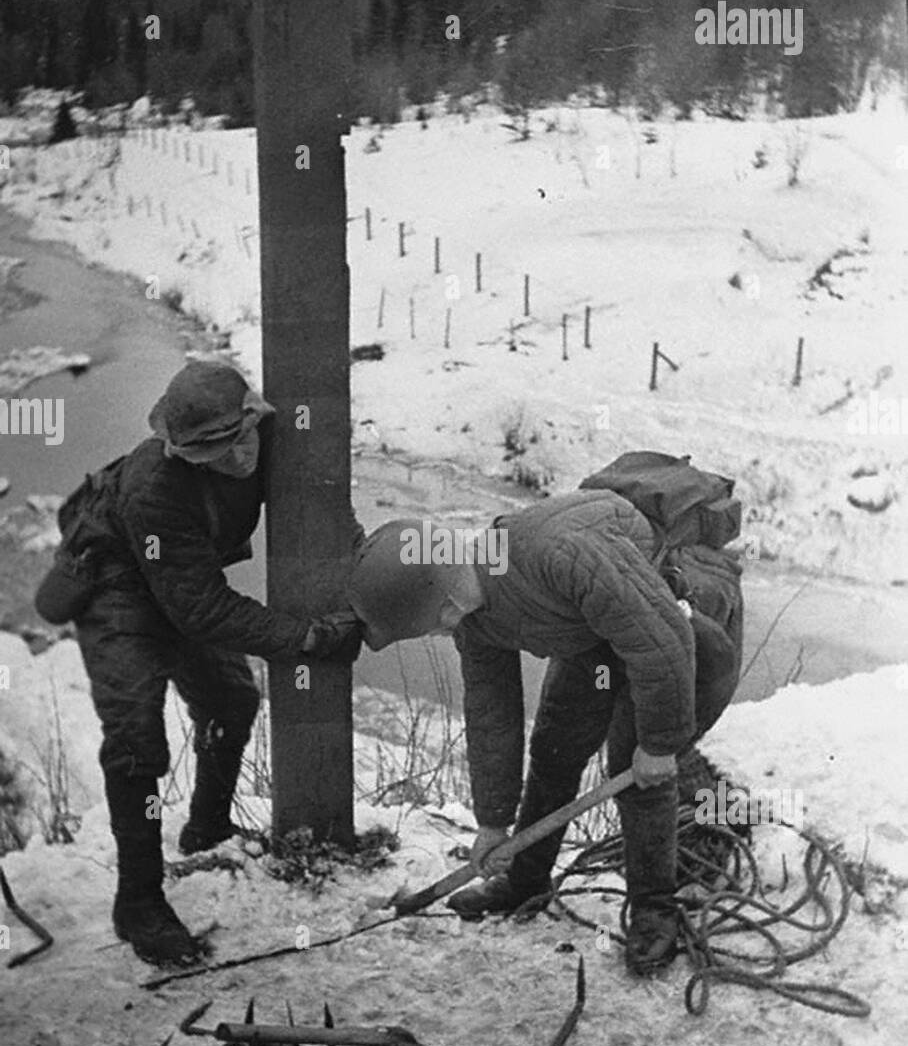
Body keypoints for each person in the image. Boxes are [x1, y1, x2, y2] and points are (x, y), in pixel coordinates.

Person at [346, 490, 743, 975]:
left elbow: (662, 641)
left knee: (636, 772)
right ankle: (526, 879)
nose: (436, 633)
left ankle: (653, 912)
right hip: (595, 639)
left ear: (444, 605)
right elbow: (493, 715)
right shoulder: (474, 619)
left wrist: (659, 745)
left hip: (679, 625)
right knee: (554, 750)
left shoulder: (557, 552)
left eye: (428, 626)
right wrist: (492, 824)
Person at [44, 362, 360, 966]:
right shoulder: (154, 489)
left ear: (255, 417)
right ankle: (137, 901)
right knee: (136, 738)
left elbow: (319, 509)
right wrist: (307, 639)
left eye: (242, 438)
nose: (237, 457)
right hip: (119, 584)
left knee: (232, 701)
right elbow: (203, 611)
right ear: (181, 451)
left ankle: (207, 826)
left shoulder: (270, 438)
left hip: (181, 582)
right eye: (213, 452)